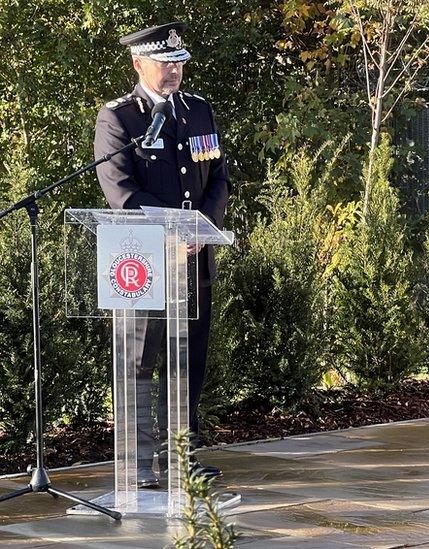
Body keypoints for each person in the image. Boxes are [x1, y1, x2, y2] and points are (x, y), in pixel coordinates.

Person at [94, 22, 229, 488]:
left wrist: (201, 228)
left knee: (186, 361)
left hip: (194, 260)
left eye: (179, 63)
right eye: (164, 63)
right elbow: (121, 193)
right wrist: (170, 232)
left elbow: (218, 180)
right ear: (138, 64)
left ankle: (179, 459)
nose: (174, 70)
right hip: (144, 264)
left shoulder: (199, 111)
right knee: (141, 361)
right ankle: (138, 463)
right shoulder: (119, 118)